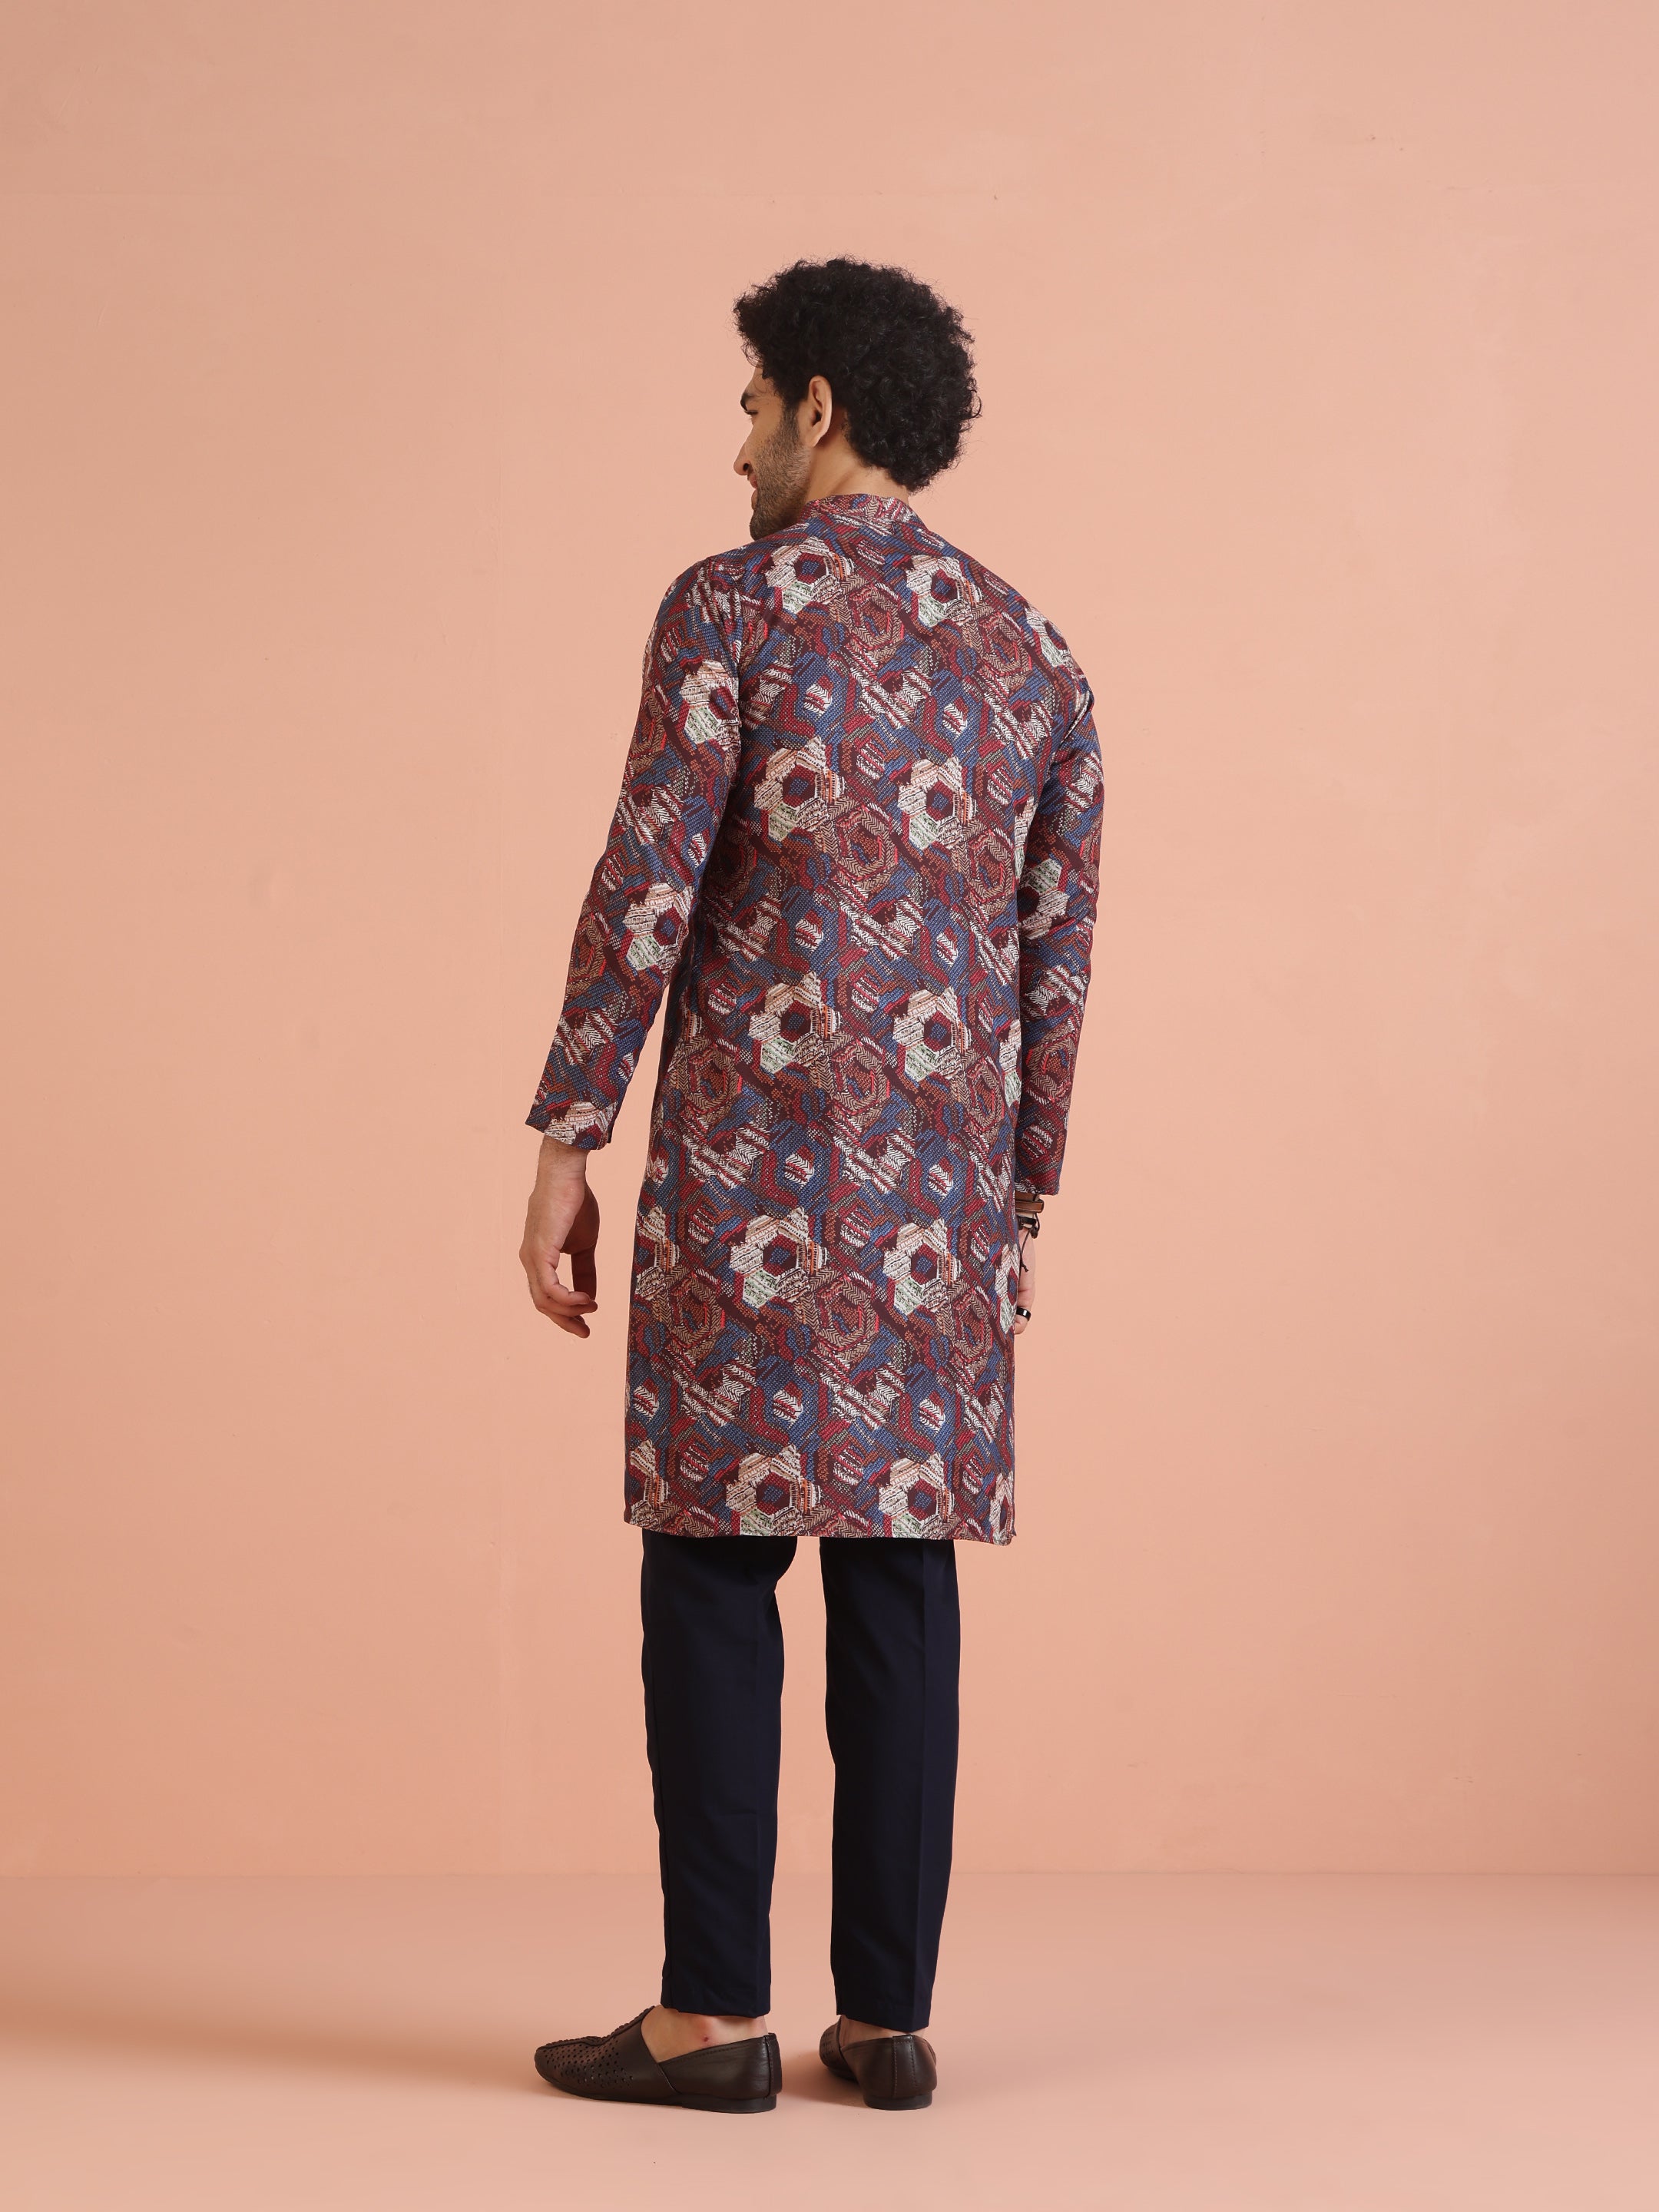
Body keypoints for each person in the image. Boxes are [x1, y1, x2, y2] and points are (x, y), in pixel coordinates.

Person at [518, 257, 1102, 2114]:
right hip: (939, 1215)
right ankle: (887, 2020)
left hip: (749, 1189)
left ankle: (711, 2020)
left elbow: (643, 888)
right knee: (900, 1578)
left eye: (753, 405)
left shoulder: (732, 611)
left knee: (712, 1564)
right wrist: (1018, 1206)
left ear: (819, 408)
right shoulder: (1035, 657)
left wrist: (568, 1135)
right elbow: (1058, 966)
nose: (741, 446)